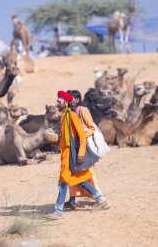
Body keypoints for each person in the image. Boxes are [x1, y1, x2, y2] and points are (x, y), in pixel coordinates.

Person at [46, 91, 107, 220]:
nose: (57, 103)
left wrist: (80, 154)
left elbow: (81, 137)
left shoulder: (73, 116)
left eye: (59, 101)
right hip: (65, 154)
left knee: (63, 182)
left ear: (66, 102)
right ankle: (101, 199)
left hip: (72, 155)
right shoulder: (63, 116)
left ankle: (58, 211)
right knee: (81, 180)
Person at [64, 90, 103, 210]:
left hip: (85, 146)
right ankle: (72, 200)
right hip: (74, 147)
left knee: (87, 173)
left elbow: (92, 128)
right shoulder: (68, 112)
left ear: (77, 99)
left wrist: (82, 135)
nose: (69, 101)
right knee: (73, 172)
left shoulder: (82, 111)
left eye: (71, 99)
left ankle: (100, 198)